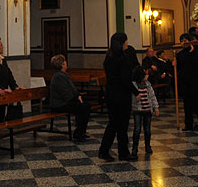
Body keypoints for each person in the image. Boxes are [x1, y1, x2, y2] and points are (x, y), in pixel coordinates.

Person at [99, 33, 140, 162]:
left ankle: (107, 151)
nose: (127, 43)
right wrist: (136, 92)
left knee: (114, 124)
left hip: (111, 94)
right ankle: (120, 152)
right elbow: (125, 79)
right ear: (121, 43)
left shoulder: (109, 57)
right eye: (126, 41)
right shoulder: (122, 59)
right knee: (121, 125)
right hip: (121, 95)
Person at [49, 54, 91, 142]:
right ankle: (79, 133)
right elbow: (65, 94)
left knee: (85, 106)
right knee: (84, 107)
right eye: (65, 61)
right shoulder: (59, 76)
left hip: (65, 102)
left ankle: (80, 132)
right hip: (59, 104)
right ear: (62, 64)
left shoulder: (63, 74)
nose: (66, 62)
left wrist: (78, 96)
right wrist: (76, 99)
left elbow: (73, 89)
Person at [130, 65, 159, 157]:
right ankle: (135, 148)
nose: (147, 76)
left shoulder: (148, 84)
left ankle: (147, 146)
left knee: (147, 129)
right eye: (145, 74)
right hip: (137, 109)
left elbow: (152, 96)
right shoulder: (134, 85)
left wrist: (156, 107)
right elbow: (132, 98)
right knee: (137, 129)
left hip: (147, 110)